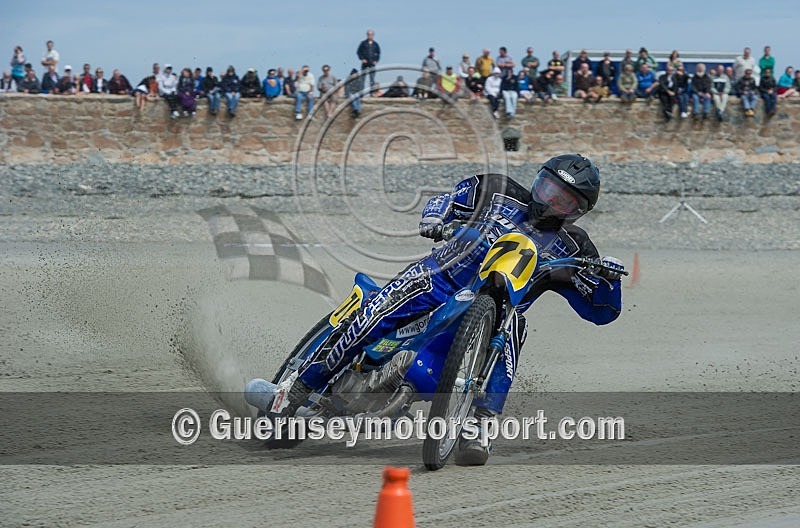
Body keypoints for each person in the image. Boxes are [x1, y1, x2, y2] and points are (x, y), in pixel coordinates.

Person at [249, 154, 624, 466]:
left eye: (564, 200)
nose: (550, 201)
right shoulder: (496, 189)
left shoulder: (575, 246)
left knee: (515, 326)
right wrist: (435, 220)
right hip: (438, 277)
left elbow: (601, 311)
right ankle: (296, 391)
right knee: (372, 317)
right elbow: (446, 200)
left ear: (577, 211)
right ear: (538, 180)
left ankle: (481, 422)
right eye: (548, 188)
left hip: (498, 311)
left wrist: (608, 279)